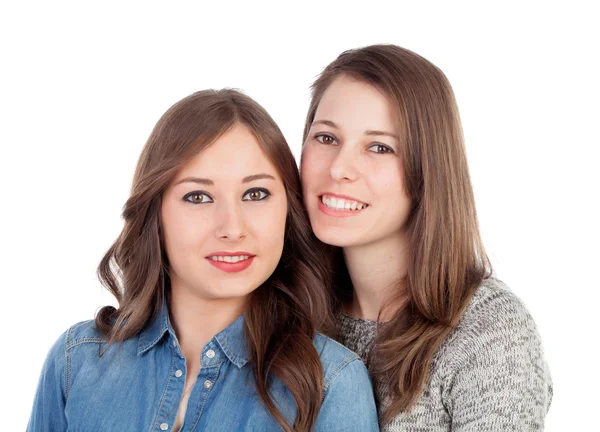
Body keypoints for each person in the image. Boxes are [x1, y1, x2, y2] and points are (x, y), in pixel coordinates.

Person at [27, 89, 379, 431]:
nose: (232, 227)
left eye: (255, 194)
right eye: (198, 197)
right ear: (156, 215)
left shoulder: (332, 382)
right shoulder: (77, 362)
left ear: (288, 210)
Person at [300, 44, 553, 431]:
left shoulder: (488, 334)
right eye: (327, 138)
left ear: (427, 170)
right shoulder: (291, 309)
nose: (339, 169)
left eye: (379, 147)